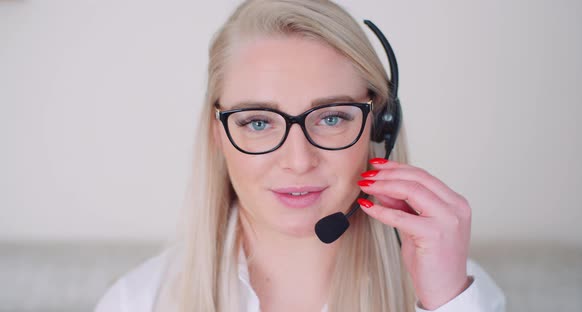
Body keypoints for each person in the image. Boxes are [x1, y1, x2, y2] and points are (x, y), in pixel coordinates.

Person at [96, 0, 506, 311]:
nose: (298, 160)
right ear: (216, 134)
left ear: (380, 126)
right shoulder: (138, 301)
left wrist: (448, 303)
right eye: (258, 122)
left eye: (331, 118)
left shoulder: (452, 293)